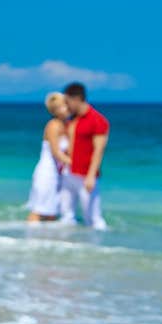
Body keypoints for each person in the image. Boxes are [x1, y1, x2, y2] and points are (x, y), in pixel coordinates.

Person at [58, 82, 110, 230]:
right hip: (68, 171)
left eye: (68, 102)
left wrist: (91, 175)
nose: (67, 107)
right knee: (66, 214)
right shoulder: (72, 120)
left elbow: (99, 150)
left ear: (77, 99)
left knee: (92, 216)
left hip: (85, 173)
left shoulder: (97, 120)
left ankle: (100, 246)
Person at [25, 92, 72, 222]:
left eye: (66, 105)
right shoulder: (53, 125)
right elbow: (56, 152)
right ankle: (29, 238)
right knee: (39, 210)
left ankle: (46, 241)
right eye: (62, 106)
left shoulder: (66, 125)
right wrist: (78, 164)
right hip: (47, 173)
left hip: (58, 174)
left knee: (51, 211)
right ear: (54, 110)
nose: (66, 109)